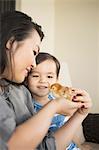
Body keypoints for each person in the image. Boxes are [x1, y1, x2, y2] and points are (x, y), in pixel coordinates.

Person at [0, 10, 92, 150]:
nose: (33, 64)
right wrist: (54, 106)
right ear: (11, 42)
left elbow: (45, 146)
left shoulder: (19, 92)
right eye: (34, 52)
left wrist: (80, 114)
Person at [27, 52, 80, 150]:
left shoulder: (58, 100)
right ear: (26, 78)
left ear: (56, 80)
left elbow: (67, 126)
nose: (43, 80)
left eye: (49, 77)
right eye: (35, 76)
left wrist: (80, 145)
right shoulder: (28, 106)